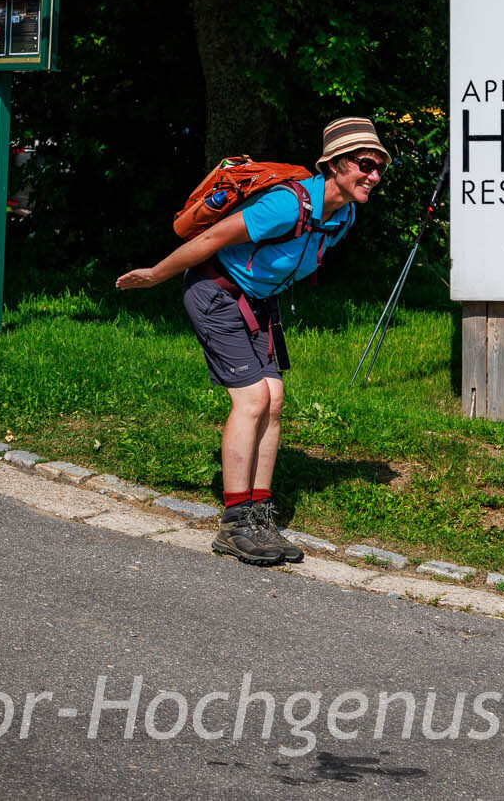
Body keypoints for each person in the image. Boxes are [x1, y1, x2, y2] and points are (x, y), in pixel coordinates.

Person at [115, 117, 390, 566]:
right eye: (365, 164)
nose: (374, 176)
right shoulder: (286, 205)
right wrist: (154, 275)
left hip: (259, 303)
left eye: (380, 167)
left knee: (274, 399)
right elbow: (212, 238)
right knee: (252, 399)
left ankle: (260, 514)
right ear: (335, 164)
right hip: (215, 293)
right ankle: (235, 523)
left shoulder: (344, 215)